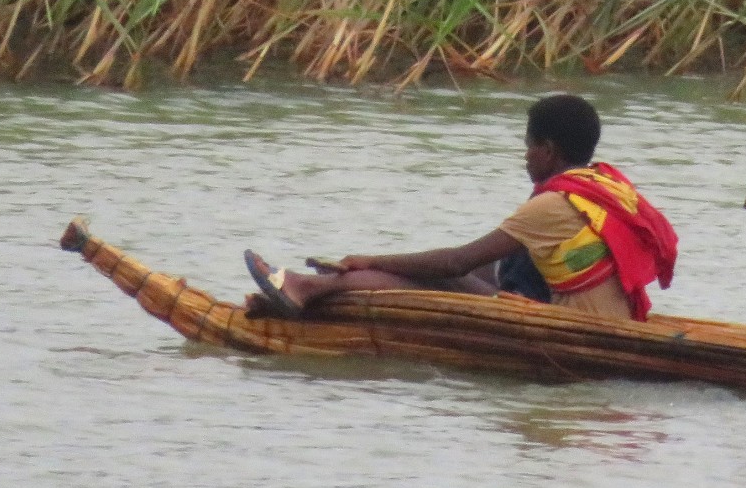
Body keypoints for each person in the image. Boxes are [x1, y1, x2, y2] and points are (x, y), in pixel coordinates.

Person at [242, 93, 677, 322]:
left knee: (446, 276)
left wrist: (370, 259)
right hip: (608, 313)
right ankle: (328, 287)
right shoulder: (605, 184)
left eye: (528, 147)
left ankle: (308, 289)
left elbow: (456, 261)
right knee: (486, 265)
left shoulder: (553, 203)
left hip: (571, 321)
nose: (525, 157)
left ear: (547, 150)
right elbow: (498, 261)